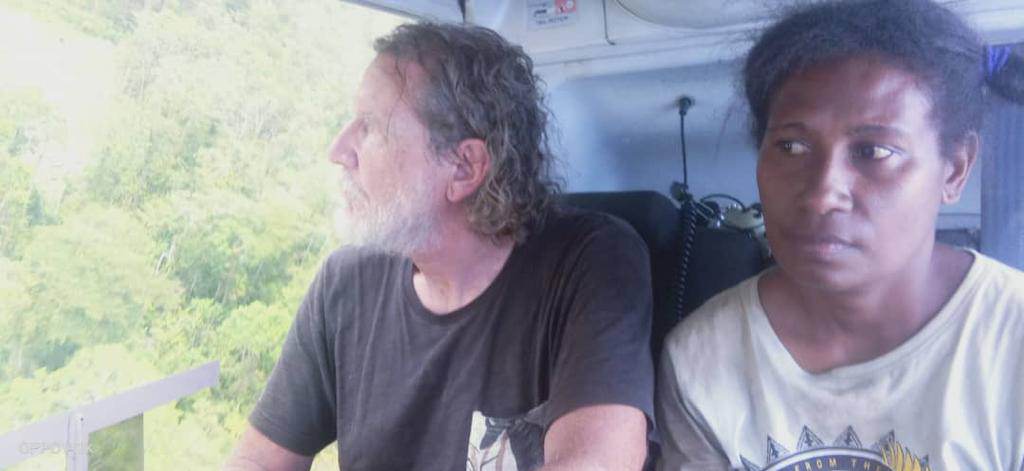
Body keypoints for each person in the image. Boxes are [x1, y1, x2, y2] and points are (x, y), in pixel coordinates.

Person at [225, 22, 654, 471]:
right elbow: (257, 462)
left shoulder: (592, 261)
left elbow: (596, 462)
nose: (339, 150)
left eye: (371, 128)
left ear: (464, 167)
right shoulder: (344, 284)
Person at [656, 0, 1024, 469]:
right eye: (791, 146)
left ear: (954, 169)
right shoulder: (700, 360)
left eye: (873, 150)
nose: (822, 193)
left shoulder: (1011, 344)